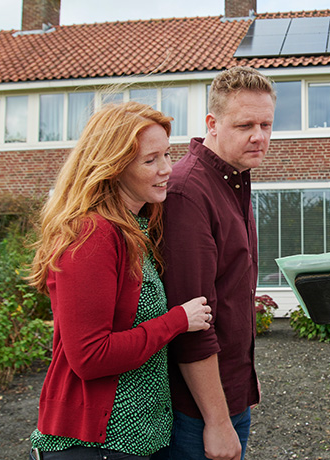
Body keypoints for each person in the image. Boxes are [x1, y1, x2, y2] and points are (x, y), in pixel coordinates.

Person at [27, 101, 213, 460]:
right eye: (150, 160)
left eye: (167, 155)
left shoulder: (133, 230)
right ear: (113, 167)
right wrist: (176, 321)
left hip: (135, 441)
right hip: (96, 445)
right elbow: (90, 357)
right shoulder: (92, 234)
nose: (167, 170)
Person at [155, 67, 276, 460]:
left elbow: (231, 297)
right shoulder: (189, 192)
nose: (259, 136)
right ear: (212, 123)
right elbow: (191, 321)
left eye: (266, 124)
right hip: (197, 414)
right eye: (245, 125)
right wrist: (218, 421)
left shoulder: (233, 179)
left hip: (230, 398)